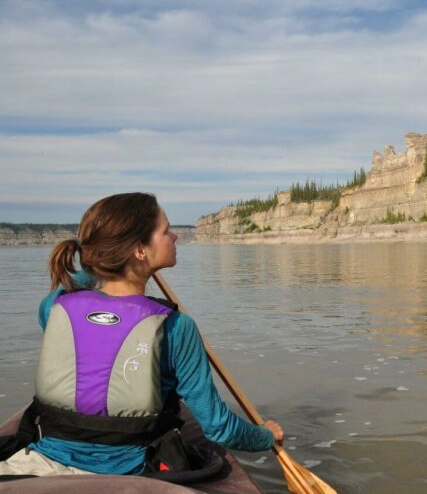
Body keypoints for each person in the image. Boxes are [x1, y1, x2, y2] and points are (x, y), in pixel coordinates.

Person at [0, 192, 283, 477]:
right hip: (126, 472)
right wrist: (266, 436)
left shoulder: (55, 307)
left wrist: (108, 266)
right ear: (139, 249)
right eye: (166, 231)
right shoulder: (177, 327)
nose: (175, 237)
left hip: (40, 462)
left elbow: (78, 285)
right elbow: (219, 428)